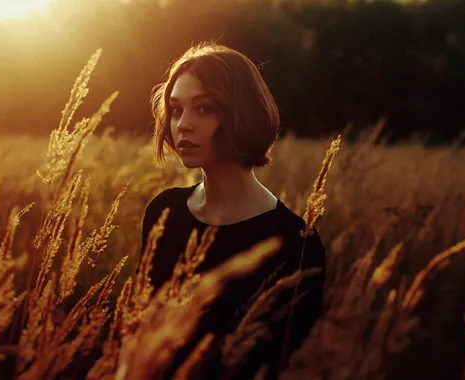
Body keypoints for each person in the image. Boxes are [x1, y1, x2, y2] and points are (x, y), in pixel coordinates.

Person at [136, 42, 326, 379]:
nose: (183, 125)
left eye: (204, 108)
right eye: (177, 109)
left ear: (242, 112)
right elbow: (137, 329)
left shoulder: (295, 242)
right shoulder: (164, 213)